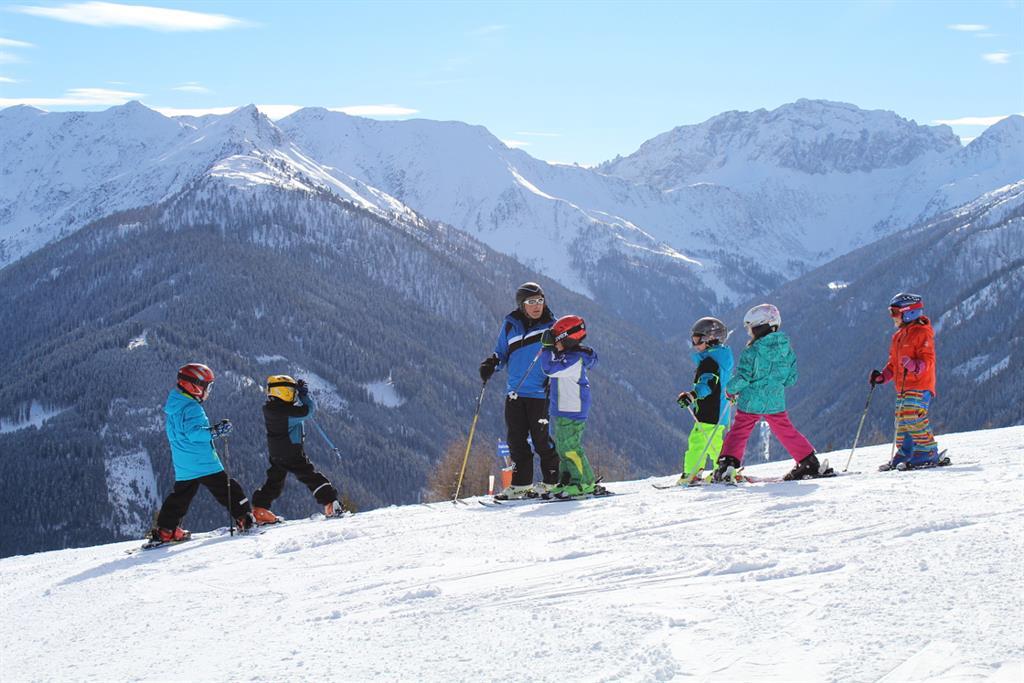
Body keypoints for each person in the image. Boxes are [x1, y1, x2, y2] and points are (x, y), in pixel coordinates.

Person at [717, 304, 831, 483]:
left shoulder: (752, 351)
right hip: (775, 400)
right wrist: (775, 384)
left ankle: (728, 465)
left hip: (751, 401)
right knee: (785, 430)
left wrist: (730, 390)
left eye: (750, 328)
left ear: (759, 327)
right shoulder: (787, 350)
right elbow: (791, 379)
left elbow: (743, 377)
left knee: (740, 430)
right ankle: (808, 461)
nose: (749, 332)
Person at [150, 363, 255, 543]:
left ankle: (166, 530)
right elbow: (194, 434)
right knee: (229, 489)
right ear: (195, 386)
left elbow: (181, 434)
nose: (209, 391)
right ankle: (245, 518)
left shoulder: (175, 405)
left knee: (179, 498)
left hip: (184, 463)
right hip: (203, 462)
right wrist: (216, 431)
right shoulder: (192, 408)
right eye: (208, 386)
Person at [480, 282, 560, 499]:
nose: (537, 305)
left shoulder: (552, 326)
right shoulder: (510, 324)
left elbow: (563, 355)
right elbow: (501, 353)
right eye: (531, 301)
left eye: (540, 300)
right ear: (521, 304)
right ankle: (521, 484)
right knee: (516, 441)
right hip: (514, 393)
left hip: (540, 393)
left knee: (541, 440)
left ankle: (552, 481)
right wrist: (491, 364)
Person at [251, 375, 344, 523]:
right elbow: (308, 411)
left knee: (274, 482)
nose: (293, 394)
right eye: (290, 391)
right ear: (282, 392)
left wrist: (300, 394)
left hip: (277, 453)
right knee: (310, 476)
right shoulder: (286, 412)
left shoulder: (272, 409)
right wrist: (303, 396)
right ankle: (330, 503)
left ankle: (260, 510)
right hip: (291, 452)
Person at [869, 293, 943, 470]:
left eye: (895, 312)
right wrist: (883, 376)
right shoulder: (898, 336)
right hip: (903, 387)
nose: (892, 317)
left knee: (913, 416)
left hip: (920, 385)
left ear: (909, 313)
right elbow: (893, 364)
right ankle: (907, 452)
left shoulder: (922, 333)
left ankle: (928, 451)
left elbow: (928, 359)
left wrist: (915, 366)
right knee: (901, 421)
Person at [541, 315, 604, 498]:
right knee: (562, 447)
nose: (554, 344)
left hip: (573, 409)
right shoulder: (567, 357)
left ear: (566, 339)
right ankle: (567, 480)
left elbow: (549, 369)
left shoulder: (574, 359)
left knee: (570, 447)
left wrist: (546, 348)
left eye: (556, 340)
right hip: (564, 408)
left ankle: (583, 482)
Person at [676, 317, 734, 486]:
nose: (694, 345)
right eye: (693, 340)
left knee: (698, 442)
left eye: (697, 340)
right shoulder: (721, 358)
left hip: (709, 412)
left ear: (711, 339)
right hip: (720, 411)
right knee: (714, 443)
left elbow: (708, 384)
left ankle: (692, 474)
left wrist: (692, 395)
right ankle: (724, 469)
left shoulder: (709, 362)